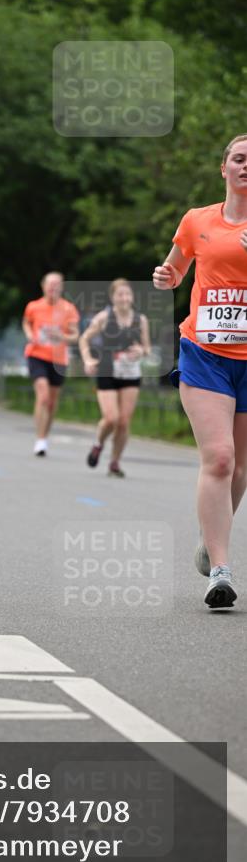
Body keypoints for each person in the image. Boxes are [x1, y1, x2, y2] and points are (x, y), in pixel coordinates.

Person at [153, 134, 247, 610]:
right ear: (224, 168)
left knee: (241, 467)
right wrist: (166, 277)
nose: (246, 166)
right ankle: (221, 572)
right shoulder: (197, 220)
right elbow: (175, 268)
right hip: (205, 353)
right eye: (240, 158)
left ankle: (211, 540)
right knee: (221, 458)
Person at [79, 279, 152, 476]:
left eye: (127, 294)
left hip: (130, 373)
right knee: (111, 418)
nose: (124, 298)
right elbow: (84, 338)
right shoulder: (104, 317)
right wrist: (88, 360)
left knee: (124, 422)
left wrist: (141, 351)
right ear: (113, 297)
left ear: (132, 297)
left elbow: (147, 348)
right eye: (120, 294)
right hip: (107, 371)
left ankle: (114, 462)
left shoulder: (140, 320)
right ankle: (98, 443)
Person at [22, 272, 80, 456]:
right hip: (36, 355)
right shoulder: (33, 306)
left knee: (52, 402)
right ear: (43, 286)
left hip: (58, 360)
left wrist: (62, 336)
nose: (53, 288)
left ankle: (44, 437)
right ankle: (39, 439)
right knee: (43, 396)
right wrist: (29, 334)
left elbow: (75, 335)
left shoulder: (68, 309)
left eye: (57, 284)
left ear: (61, 287)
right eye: (50, 284)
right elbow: (26, 323)